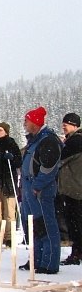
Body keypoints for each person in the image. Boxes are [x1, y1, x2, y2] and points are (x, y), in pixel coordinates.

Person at [18, 106, 63, 274]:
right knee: (34, 226)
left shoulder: (48, 140)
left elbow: (49, 167)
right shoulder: (35, 139)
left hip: (41, 189)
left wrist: (37, 185)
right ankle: (36, 260)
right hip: (29, 187)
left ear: (35, 123)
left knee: (46, 225)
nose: (24, 124)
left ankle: (49, 262)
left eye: (27, 121)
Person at [58, 112, 82, 265]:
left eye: (66, 125)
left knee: (75, 222)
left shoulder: (76, 141)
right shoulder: (73, 140)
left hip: (75, 188)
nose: (64, 127)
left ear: (74, 125)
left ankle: (77, 252)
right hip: (74, 186)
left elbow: (61, 157)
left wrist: (61, 145)